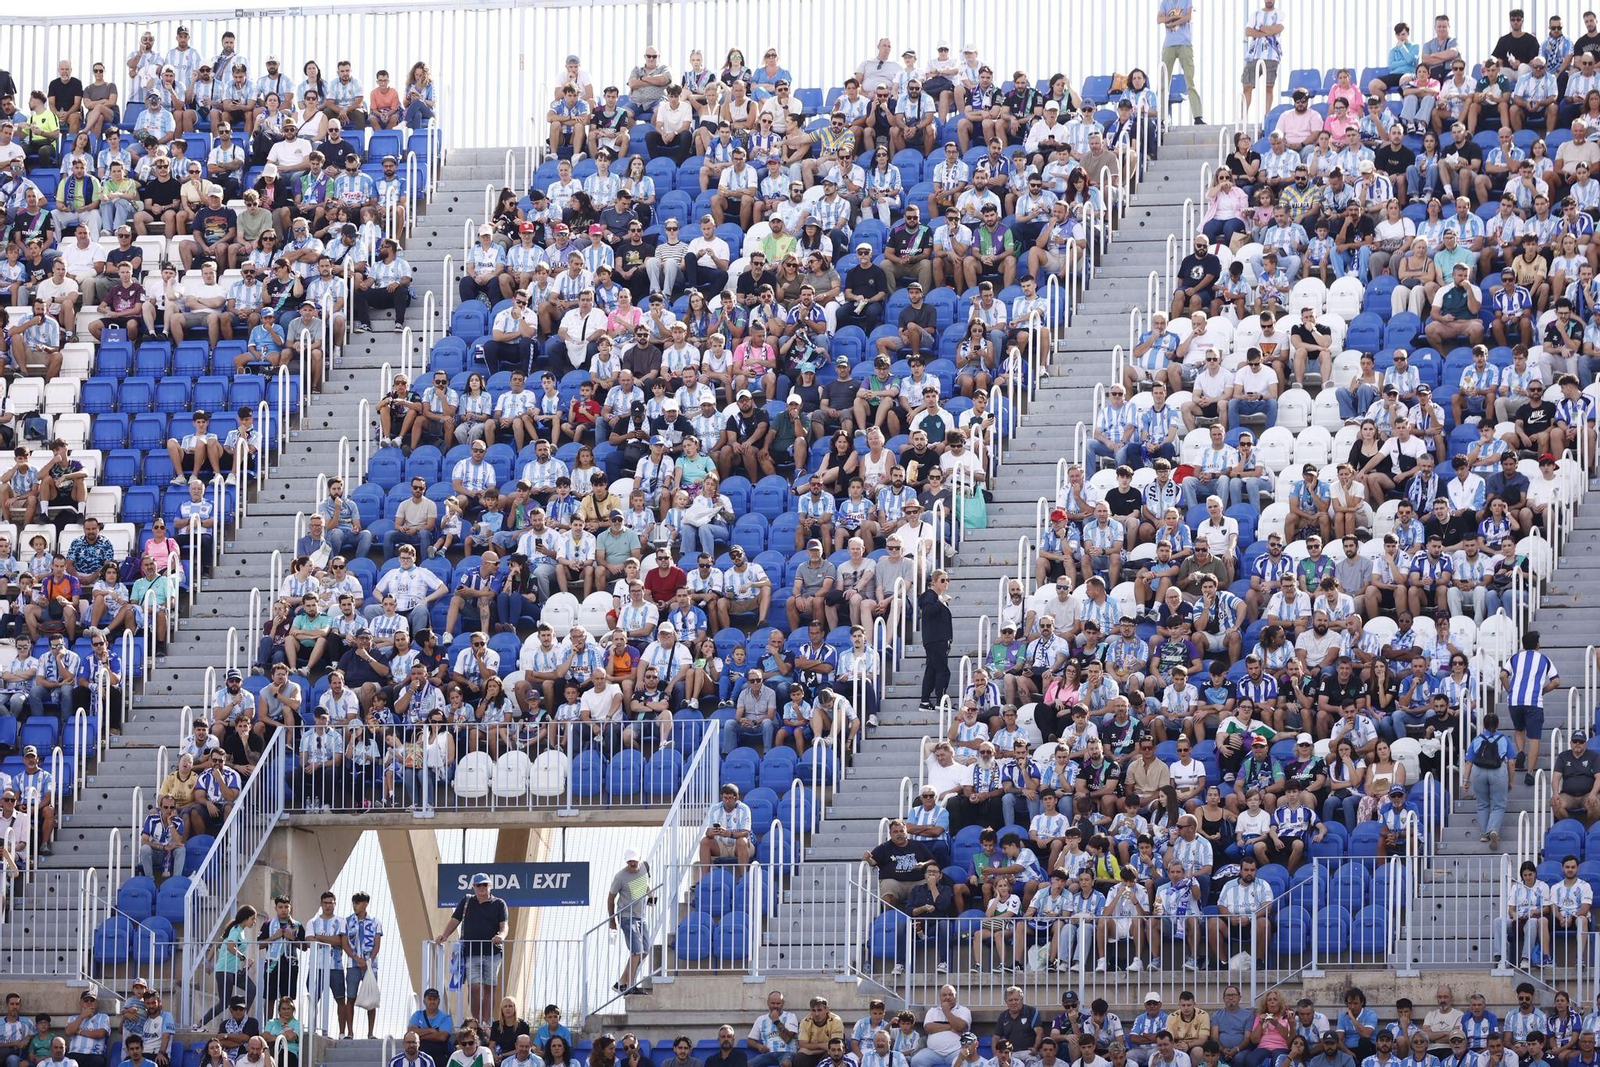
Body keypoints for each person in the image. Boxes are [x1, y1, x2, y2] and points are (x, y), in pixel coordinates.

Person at [432, 872, 508, 1027]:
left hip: (493, 952)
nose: (482, 888)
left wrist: (501, 935)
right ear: (473, 887)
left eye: (485, 884)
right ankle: (476, 1021)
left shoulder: (499, 903)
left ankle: (486, 1022)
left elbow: (504, 925)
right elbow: (455, 920)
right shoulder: (467, 901)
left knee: (489, 987)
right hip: (471, 952)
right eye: (478, 885)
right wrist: (444, 935)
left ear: (490, 886)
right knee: (474, 987)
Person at [1502, 630, 1559, 787]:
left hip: (1515, 701)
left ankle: (1520, 752)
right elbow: (1556, 681)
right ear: (1537, 644)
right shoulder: (1544, 659)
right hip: (1533, 702)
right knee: (1534, 738)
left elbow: (1502, 676)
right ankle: (1530, 773)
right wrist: (1543, 690)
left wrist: (1510, 691)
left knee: (1519, 730)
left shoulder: (1514, 658)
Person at [1464, 711, 1515, 850]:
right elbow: (1511, 762)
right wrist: (1511, 781)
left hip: (1478, 771)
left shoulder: (1477, 739)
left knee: (1482, 804)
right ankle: (1493, 830)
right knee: (1498, 804)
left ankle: (1483, 834)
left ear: (1484, 725)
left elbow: (1468, 762)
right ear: (1497, 724)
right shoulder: (1504, 739)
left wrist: (1466, 780)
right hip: (1498, 771)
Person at [607, 847, 654, 995]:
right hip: (626, 916)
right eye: (629, 862)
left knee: (645, 950)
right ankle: (631, 985)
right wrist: (612, 920)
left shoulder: (645, 867)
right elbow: (610, 899)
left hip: (640, 916)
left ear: (639, 859)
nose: (632, 865)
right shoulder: (620, 877)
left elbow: (645, 883)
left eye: (634, 861)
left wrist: (651, 895)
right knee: (636, 951)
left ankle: (621, 982)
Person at [919, 569, 954, 712]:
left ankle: (925, 701)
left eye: (948, 580)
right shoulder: (930, 596)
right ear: (933, 582)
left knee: (932, 670)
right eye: (942, 580)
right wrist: (941, 602)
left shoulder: (935, 597)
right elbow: (927, 613)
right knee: (943, 671)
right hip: (936, 640)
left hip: (937, 639)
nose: (946, 583)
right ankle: (941, 700)